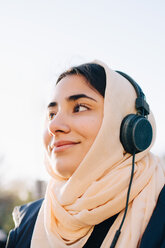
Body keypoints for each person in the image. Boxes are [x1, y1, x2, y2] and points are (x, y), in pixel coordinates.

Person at [6, 60, 165, 248]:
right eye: (51, 114)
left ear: (130, 128)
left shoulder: (159, 213)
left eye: (79, 107)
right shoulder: (26, 223)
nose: (53, 126)